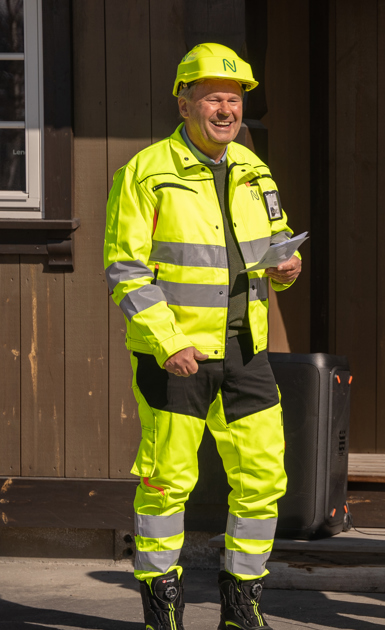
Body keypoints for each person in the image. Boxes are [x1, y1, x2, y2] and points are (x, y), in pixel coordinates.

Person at [103, 43, 301, 630]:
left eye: (235, 98)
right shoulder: (145, 173)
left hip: (247, 353)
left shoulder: (253, 168)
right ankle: (162, 617)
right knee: (166, 486)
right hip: (176, 360)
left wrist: (285, 267)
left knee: (264, 478)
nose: (226, 109)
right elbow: (126, 269)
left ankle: (242, 611)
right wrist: (168, 342)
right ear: (184, 102)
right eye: (214, 97)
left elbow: (274, 237)